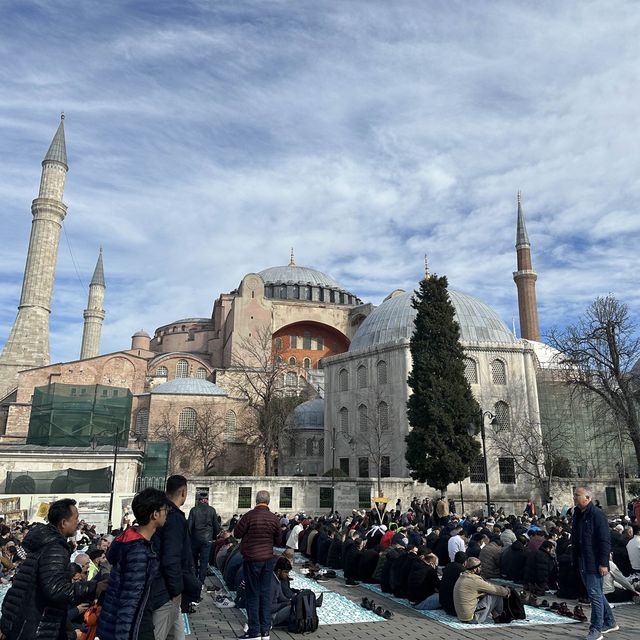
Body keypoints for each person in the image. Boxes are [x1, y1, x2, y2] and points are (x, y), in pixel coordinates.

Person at [0, 499, 101, 640]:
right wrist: (92, 588)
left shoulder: (43, 541)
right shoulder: (55, 547)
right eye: (76, 518)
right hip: (33, 626)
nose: (78, 522)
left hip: (19, 623)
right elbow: (55, 589)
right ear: (63, 523)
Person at [97, 488, 168, 640]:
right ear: (154, 514)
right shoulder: (139, 552)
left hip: (116, 621)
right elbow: (129, 602)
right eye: (164, 509)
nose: (166, 512)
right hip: (135, 627)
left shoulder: (128, 540)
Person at [151, 475, 201, 640]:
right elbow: (171, 558)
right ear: (184, 492)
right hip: (166, 590)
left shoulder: (164, 513)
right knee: (159, 633)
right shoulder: (174, 518)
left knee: (177, 635)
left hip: (168, 587)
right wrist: (176, 589)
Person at [233, 490, 281, 640]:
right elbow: (279, 541)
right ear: (268, 501)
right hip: (267, 559)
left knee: (252, 594)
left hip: (252, 558)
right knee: (265, 594)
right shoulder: (274, 518)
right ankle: (265, 630)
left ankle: (254, 631)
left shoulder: (249, 516)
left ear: (256, 500)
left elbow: (237, 534)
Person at [572, 487, 618, 640]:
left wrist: (603, 563)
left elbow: (604, 540)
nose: (575, 497)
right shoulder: (578, 514)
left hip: (593, 560)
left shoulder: (597, 515)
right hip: (582, 559)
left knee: (594, 595)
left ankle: (596, 628)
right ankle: (610, 621)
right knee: (596, 593)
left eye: (578, 495)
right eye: (574, 495)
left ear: (587, 497)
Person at [453, 557, 509, 624]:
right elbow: (494, 589)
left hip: (462, 616)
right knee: (496, 594)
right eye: (480, 567)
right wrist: (507, 591)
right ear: (475, 569)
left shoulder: (462, 576)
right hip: (472, 618)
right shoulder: (474, 580)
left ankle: (496, 615)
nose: (481, 569)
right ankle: (499, 616)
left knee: (488, 595)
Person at [188, 492, 220, 584]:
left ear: (198, 500)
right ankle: (201, 581)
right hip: (207, 539)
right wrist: (214, 537)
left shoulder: (194, 510)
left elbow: (189, 526)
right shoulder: (212, 510)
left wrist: (190, 538)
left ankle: (194, 578)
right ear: (207, 500)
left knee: (194, 560)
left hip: (195, 538)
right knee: (204, 561)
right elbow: (215, 525)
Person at [270, 557, 295, 627]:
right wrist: (285, 604)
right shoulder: (271, 584)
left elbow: (281, 597)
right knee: (294, 607)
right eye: (285, 572)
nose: (287, 575)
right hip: (269, 617)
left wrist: (292, 600)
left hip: (274, 610)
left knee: (296, 603)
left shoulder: (277, 579)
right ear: (278, 571)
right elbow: (268, 608)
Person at [439, 551, 467, 616]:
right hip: (453, 607)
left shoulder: (449, 566)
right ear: (465, 562)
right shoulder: (462, 570)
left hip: (443, 603)